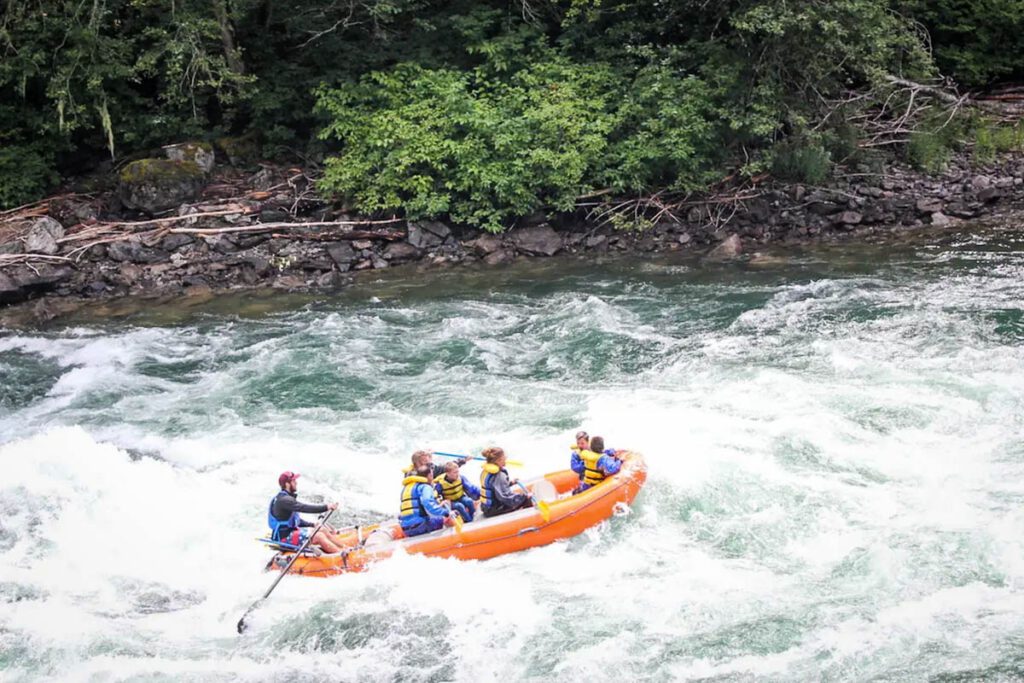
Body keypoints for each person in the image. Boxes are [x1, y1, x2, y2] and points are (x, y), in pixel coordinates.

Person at [268, 471, 344, 554]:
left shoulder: (285, 498)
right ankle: (342, 555)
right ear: (287, 484)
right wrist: (326, 507)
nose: (296, 483)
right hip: (284, 538)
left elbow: (294, 521)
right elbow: (304, 508)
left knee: (322, 530)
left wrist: (312, 524)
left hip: (290, 532)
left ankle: (345, 548)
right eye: (293, 481)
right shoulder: (285, 500)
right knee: (319, 536)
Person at [399, 465, 456, 537]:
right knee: (447, 518)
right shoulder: (425, 487)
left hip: (406, 529)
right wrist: (446, 512)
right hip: (421, 526)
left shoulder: (406, 489)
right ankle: (456, 540)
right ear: (429, 475)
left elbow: (419, 507)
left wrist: (440, 506)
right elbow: (428, 503)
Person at [479, 447, 532, 518]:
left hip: (485, 507)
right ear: (498, 460)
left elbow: (494, 488)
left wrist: (510, 483)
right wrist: (524, 497)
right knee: (526, 499)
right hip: (493, 509)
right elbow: (505, 497)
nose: (506, 460)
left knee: (520, 497)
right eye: (504, 458)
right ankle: (528, 520)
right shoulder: (499, 475)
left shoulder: (486, 471)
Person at [402, 450, 467, 479]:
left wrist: (462, 460)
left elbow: (447, 467)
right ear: (416, 464)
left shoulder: (431, 468)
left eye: (428, 461)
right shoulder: (410, 474)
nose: (428, 463)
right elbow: (420, 473)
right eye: (425, 461)